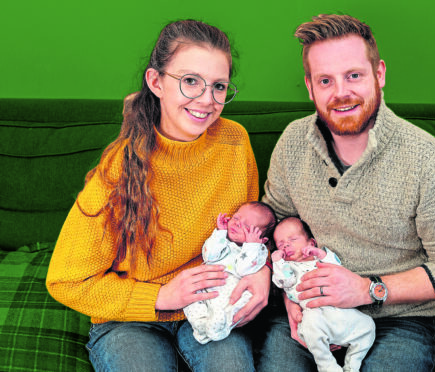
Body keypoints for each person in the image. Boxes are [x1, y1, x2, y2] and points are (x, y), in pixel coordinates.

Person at [258, 14, 435, 372]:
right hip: (310, 308)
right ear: (309, 86)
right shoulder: (292, 144)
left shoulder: (428, 160)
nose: (341, 92)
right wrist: (291, 298)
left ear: (379, 74)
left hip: (398, 317)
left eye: (353, 76)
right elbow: (276, 222)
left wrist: (368, 289)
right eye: (325, 80)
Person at [46, 19, 270, 372]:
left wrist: (262, 270)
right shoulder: (119, 168)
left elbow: (250, 232)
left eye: (219, 86)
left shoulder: (234, 142)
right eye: (191, 82)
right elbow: (65, 279)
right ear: (156, 82)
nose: (207, 101)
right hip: (130, 319)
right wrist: (161, 296)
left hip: (213, 307)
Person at [271, 217, 375, 372]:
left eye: (293, 239)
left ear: (311, 243)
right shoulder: (288, 268)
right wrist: (278, 262)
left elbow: (336, 267)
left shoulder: (322, 259)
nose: (286, 245)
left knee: (368, 326)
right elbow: (284, 282)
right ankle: (326, 365)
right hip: (314, 314)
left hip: (341, 312)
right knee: (309, 325)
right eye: (280, 244)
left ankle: (353, 363)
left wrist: (318, 253)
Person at [184, 201, 276, 344]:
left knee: (245, 300)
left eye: (247, 227)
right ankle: (200, 325)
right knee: (191, 295)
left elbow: (243, 268)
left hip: (231, 291)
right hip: (207, 284)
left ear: (261, 240)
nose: (238, 224)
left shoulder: (258, 252)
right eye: (236, 218)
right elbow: (209, 256)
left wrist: (252, 245)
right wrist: (220, 232)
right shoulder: (222, 240)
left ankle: (222, 325)